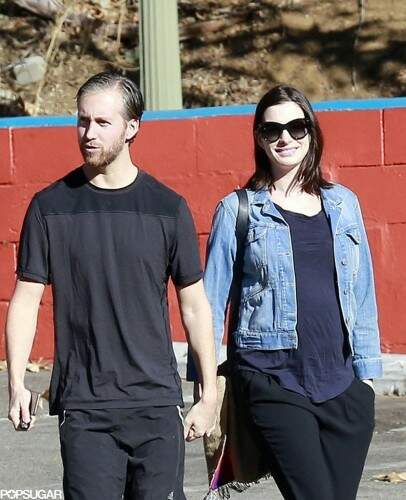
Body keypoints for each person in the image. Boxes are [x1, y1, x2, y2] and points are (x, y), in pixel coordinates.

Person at [6, 72, 217, 500]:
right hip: (84, 406)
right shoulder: (50, 207)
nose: (88, 133)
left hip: (157, 404)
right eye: (83, 121)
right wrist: (15, 383)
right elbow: (26, 300)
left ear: (132, 127)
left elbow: (194, 306)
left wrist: (209, 393)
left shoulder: (167, 208)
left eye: (103, 122)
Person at [188, 84, 382, 500]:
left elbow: (362, 291)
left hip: (343, 386)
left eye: (297, 127)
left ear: (312, 133)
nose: (285, 138)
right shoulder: (238, 210)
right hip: (272, 380)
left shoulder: (344, 204)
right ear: (258, 137)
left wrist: (365, 381)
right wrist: (205, 392)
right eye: (272, 129)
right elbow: (207, 306)